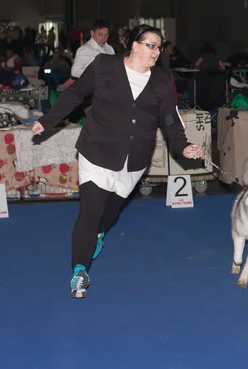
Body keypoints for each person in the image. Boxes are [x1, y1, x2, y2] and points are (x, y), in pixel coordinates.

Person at [31, 24, 204, 299]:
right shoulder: (104, 66)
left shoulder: (161, 80)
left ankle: (99, 234)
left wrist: (184, 148)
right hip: (97, 151)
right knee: (91, 211)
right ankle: (80, 271)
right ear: (134, 46)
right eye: (151, 45)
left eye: (159, 47)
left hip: (134, 160)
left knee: (109, 213)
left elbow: (170, 120)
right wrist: (47, 120)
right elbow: (76, 94)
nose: (156, 51)